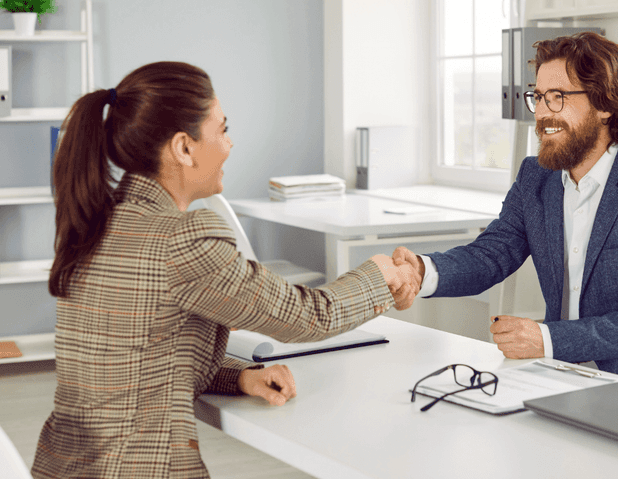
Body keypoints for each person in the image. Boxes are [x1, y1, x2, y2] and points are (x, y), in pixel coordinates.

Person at [32, 62, 419, 479]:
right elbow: (307, 317)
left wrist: (240, 378)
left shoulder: (100, 222)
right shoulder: (181, 239)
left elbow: (136, 359)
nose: (230, 144)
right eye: (222, 129)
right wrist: (380, 274)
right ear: (184, 147)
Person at [393, 32, 618, 396]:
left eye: (558, 97)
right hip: (561, 382)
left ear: (606, 104)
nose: (543, 112)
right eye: (539, 97)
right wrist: (421, 272)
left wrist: (547, 339)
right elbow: (491, 254)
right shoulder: (536, 178)